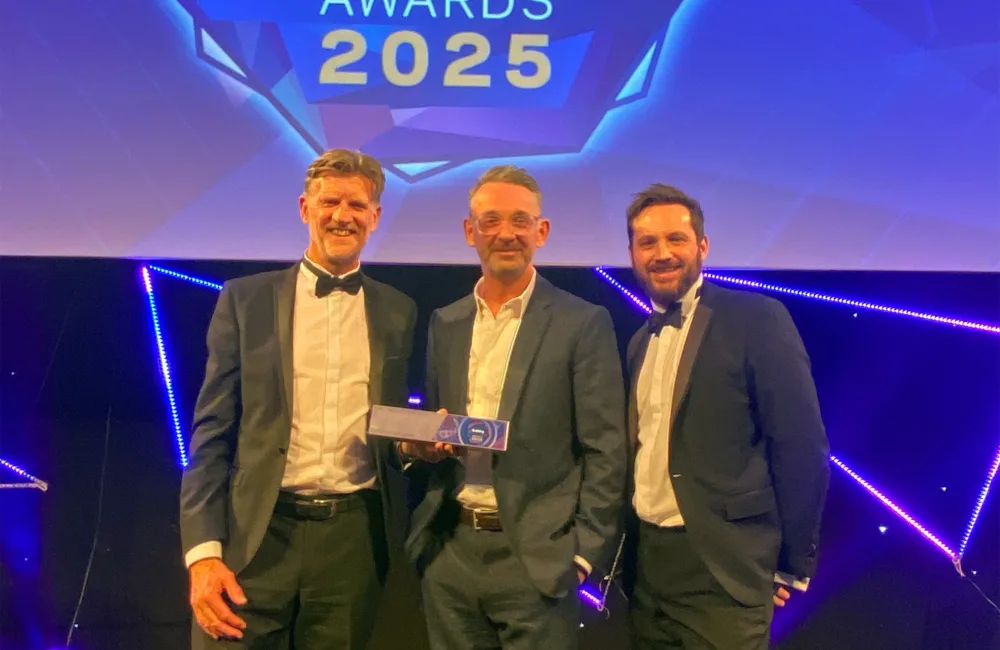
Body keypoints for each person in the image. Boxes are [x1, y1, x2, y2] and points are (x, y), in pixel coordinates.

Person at [179, 149, 417, 649]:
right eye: (329, 201)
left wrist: (417, 446)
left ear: (374, 216)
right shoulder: (245, 300)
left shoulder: (399, 310)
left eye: (357, 205)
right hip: (254, 538)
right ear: (305, 207)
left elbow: (392, 429)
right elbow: (210, 434)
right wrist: (202, 552)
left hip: (352, 544)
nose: (342, 216)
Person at [400, 164, 628, 650]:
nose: (506, 233)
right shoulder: (447, 321)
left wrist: (583, 554)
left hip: (537, 560)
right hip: (451, 551)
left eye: (520, 220)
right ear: (469, 232)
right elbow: (441, 426)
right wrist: (422, 445)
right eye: (491, 221)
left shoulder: (582, 323)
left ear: (541, 231)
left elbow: (606, 448)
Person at [622, 184, 830, 649]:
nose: (662, 254)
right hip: (649, 571)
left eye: (676, 239)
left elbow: (800, 446)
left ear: (702, 245)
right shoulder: (639, 342)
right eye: (647, 242)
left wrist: (793, 564)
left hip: (724, 571)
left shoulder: (756, 318)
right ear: (632, 253)